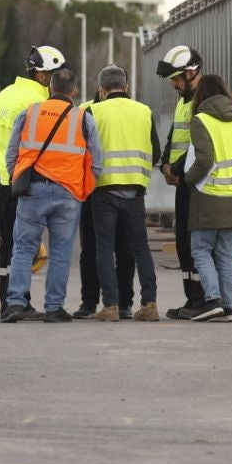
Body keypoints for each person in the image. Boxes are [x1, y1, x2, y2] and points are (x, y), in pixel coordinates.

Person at [2, 66, 101, 323]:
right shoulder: (83, 118)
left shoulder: (29, 114)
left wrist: (18, 180)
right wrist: (82, 191)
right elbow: (96, 162)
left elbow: (11, 154)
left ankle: (14, 303)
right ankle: (54, 307)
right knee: (60, 252)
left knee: (23, 248)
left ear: (50, 88)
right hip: (69, 193)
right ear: (74, 91)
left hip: (33, 191)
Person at [0, 45, 66, 315]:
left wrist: (4, 175)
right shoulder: (38, 103)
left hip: (7, 182)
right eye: (54, 75)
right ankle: (18, 302)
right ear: (43, 76)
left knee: (9, 245)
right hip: (29, 183)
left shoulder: (5, 95)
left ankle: (9, 302)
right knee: (25, 245)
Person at [84, 65, 161, 322]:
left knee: (104, 248)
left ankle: (111, 306)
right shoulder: (144, 111)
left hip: (104, 189)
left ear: (101, 90)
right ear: (126, 87)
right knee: (140, 247)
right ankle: (149, 303)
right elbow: (156, 154)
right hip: (135, 190)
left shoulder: (93, 111)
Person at [176, 73, 232, 321]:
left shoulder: (201, 120)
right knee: (226, 256)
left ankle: (212, 300)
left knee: (201, 250)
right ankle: (228, 307)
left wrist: (188, 179)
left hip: (209, 195)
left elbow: (204, 159)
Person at [74, 80, 140, 319]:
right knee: (121, 249)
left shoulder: (86, 110)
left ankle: (92, 303)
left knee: (94, 248)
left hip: (95, 189)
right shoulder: (137, 110)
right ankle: (122, 304)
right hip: (124, 188)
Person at [155, 44, 205, 311]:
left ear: (190, 72)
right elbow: (175, 136)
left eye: (176, 78)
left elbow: (198, 144)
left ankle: (199, 299)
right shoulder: (184, 101)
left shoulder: (201, 101)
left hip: (194, 182)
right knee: (183, 243)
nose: (174, 84)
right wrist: (165, 164)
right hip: (181, 180)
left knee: (193, 242)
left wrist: (176, 170)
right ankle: (192, 298)